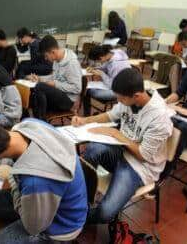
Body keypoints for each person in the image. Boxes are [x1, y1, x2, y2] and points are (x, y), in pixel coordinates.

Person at [0, 118, 88, 244]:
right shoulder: (29, 125)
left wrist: (11, 174)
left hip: (58, 227)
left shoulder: (36, 181)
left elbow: (33, 228)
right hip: (50, 200)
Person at [72, 68, 173, 224]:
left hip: (140, 166)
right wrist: (85, 120)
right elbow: (110, 115)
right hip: (121, 151)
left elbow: (144, 155)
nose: (118, 102)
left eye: (121, 99)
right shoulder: (130, 99)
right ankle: (80, 198)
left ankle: (75, 218)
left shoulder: (159, 118)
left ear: (136, 96)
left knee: (105, 213)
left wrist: (116, 134)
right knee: (92, 150)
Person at [28, 35, 82, 120]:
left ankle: (41, 121)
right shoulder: (56, 60)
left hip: (68, 101)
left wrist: (55, 84)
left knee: (40, 87)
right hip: (58, 95)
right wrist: (40, 78)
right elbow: (53, 77)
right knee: (32, 94)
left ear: (53, 52)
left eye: (46, 55)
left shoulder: (72, 63)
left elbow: (77, 88)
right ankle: (38, 121)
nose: (45, 59)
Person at [83, 44, 131, 116]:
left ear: (101, 57)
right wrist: (95, 68)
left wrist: (102, 74)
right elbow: (106, 66)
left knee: (87, 90)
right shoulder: (113, 53)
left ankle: (87, 115)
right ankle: (87, 115)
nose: (99, 63)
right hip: (114, 85)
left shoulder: (116, 65)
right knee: (87, 88)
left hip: (120, 91)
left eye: (98, 61)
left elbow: (113, 86)